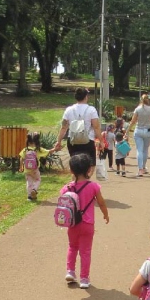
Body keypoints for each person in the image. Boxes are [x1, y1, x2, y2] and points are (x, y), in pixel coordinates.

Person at [61, 154, 110, 289]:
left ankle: (70, 271)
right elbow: (101, 202)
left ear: (71, 170)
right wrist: (105, 214)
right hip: (87, 224)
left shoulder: (67, 188)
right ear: (89, 169)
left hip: (72, 224)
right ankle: (84, 278)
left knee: (72, 247)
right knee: (85, 251)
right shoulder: (93, 186)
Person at [54, 88, 102, 160]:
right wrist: (101, 141)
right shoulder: (91, 110)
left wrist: (59, 141)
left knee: (75, 163)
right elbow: (96, 127)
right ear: (86, 97)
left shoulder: (68, 110)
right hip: (88, 140)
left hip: (73, 140)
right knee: (90, 163)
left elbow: (63, 127)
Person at [127, 94, 150, 177]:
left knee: (139, 150)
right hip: (147, 131)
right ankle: (144, 167)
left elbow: (133, 121)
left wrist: (127, 131)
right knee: (145, 150)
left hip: (138, 130)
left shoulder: (137, 109)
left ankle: (140, 169)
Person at [18, 132, 50, 201]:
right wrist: (55, 149)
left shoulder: (25, 150)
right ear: (36, 142)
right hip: (35, 170)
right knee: (38, 180)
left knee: (29, 182)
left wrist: (21, 167)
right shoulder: (38, 149)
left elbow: (21, 159)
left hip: (27, 170)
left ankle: (29, 196)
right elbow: (48, 152)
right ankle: (34, 190)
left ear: (28, 142)